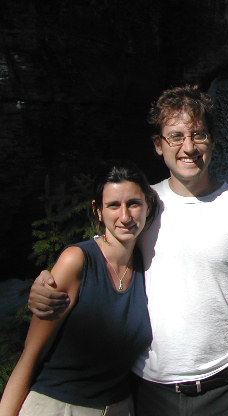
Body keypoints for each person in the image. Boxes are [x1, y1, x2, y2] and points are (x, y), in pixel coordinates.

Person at [28, 85, 228, 416]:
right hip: (148, 391)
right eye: (176, 137)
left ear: (213, 141)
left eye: (199, 135)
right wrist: (45, 287)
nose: (189, 147)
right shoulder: (142, 206)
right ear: (158, 146)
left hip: (227, 387)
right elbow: (98, 261)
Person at [0, 161, 158, 416]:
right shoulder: (77, 261)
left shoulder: (147, 265)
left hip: (119, 407)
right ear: (98, 211)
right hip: (58, 407)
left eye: (134, 203)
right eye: (114, 205)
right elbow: (31, 356)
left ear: (147, 206)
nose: (125, 216)